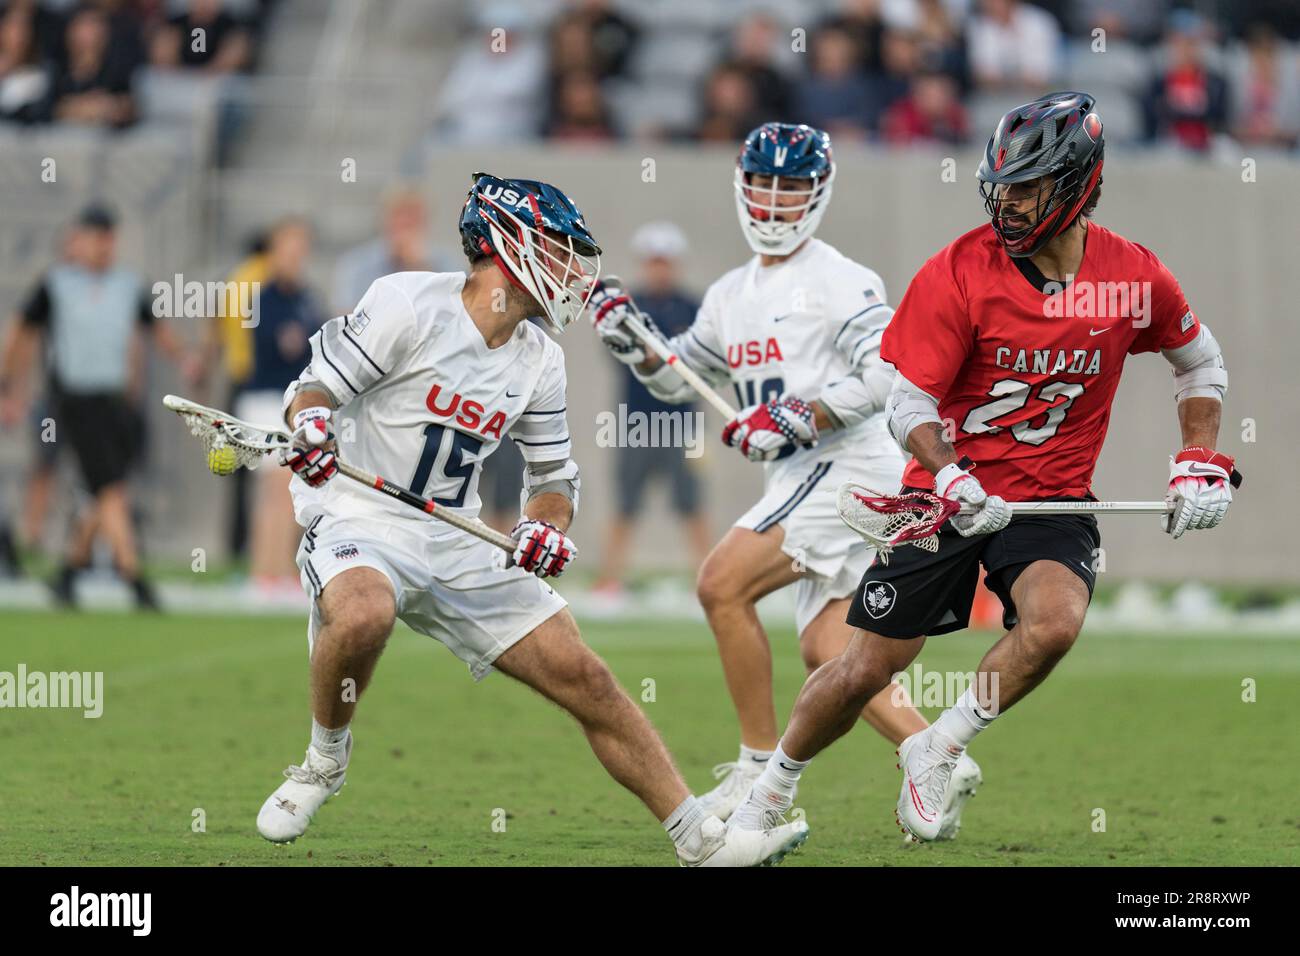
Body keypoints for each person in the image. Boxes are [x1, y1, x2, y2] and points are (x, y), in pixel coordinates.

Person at [727, 92, 1239, 844]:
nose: (1009, 202)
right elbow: (908, 405)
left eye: (1029, 187)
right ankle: (765, 799)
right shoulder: (961, 271)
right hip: (945, 496)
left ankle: (938, 747)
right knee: (866, 665)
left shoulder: (1132, 277)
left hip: (1049, 495)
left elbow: (1201, 363)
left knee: (1056, 623)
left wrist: (1199, 459)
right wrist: (953, 476)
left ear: (1077, 186)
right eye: (1002, 184)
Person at [254, 173, 807, 867]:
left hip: (455, 534)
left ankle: (700, 842)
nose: (574, 269)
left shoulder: (539, 358)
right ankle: (323, 762)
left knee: (588, 678)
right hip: (362, 514)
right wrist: (309, 424)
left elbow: (552, 480)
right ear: (508, 247)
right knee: (365, 613)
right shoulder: (408, 304)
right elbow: (314, 389)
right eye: (559, 248)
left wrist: (547, 525)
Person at [590, 123, 981, 834]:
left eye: (790, 186)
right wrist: (639, 344)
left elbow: (888, 377)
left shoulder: (841, 279)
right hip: (796, 476)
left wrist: (802, 413)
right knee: (830, 649)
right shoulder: (730, 293)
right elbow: (685, 378)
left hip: (847, 469)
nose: (773, 201)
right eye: (762, 184)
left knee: (720, 583)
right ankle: (935, 755)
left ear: (818, 192)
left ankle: (755, 769)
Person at [0, 205, 202, 608]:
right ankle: (133, 574)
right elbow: (23, 333)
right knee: (110, 485)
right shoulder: (56, 284)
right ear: (80, 240)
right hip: (74, 398)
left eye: (107, 237)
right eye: (93, 237)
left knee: (104, 487)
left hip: (114, 400)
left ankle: (69, 572)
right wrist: (8, 387)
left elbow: (154, 327)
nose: (101, 246)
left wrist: (184, 358)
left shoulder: (126, 284)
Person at [592, 222, 710, 597]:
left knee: (691, 503)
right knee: (625, 503)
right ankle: (610, 578)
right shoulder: (629, 308)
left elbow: (703, 361)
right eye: (653, 261)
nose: (659, 268)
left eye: (665, 261)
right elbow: (614, 354)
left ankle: (706, 579)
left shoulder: (693, 307)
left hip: (683, 424)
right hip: (637, 423)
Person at [236, 216, 323, 593]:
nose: (294, 256)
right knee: (277, 487)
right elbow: (288, 347)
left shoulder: (306, 298)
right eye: (288, 248)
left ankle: (279, 570)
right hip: (265, 400)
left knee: (289, 489)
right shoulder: (265, 299)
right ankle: (266, 570)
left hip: (291, 402)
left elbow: (311, 345)